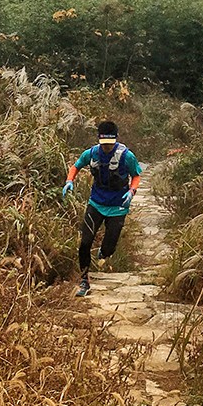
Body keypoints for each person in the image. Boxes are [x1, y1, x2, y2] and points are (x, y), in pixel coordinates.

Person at [62, 120, 142, 297]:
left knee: (108, 249)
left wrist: (132, 191)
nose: (106, 148)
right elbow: (75, 166)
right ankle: (84, 281)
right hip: (96, 203)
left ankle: (103, 252)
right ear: (99, 140)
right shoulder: (91, 154)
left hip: (118, 206)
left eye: (109, 144)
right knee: (84, 243)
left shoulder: (126, 156)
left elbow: (136, 175)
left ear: (116, 140)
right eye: (103, 144)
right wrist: (69, 181)